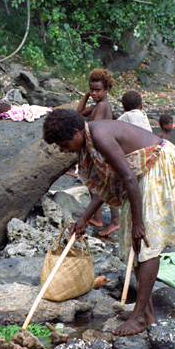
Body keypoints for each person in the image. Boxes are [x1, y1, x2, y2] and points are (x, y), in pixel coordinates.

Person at [43, 109, 175, 336]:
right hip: (140, 176)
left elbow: (127, 176)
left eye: (65, 144)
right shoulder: (90, 141)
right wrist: (84, 219)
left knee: (146, 242)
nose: (64, 150)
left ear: (77, 132)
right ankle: (145, 312)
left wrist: (138, 222)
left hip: (157, 167)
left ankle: (139, 318)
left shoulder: (99, 136)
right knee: (134, 244)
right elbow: (109, 182)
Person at [76, 68, 118, 234]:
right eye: (91, 90)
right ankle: (98, 218)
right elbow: (79, 113)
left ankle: (113, 220)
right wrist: (86, 97)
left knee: (104, 186)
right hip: (103, 149)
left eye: (97, 90)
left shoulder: (101, 106)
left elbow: (94, 128)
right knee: (101, 185)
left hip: (101, 150)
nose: (93, 93)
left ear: (107, 89)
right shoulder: (99, 104)